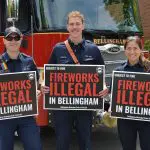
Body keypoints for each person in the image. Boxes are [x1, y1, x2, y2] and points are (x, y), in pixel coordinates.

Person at [42, 11, 108, 150]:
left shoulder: (93, 49)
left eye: (78, 24)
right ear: (67, 27)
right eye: (71, 24)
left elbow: (100, 75)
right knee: (62, 142)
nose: (75, 27)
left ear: (83, 26)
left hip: (85, 107)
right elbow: (47, 76)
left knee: (85, 141)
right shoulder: (58, 49)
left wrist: (103, 87)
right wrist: (43, 85)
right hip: (62, 109)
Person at [0, 26, 42, 150]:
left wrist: (37, 92)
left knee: (35, 147)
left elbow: (37, 83)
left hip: (26, 116)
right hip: (4, 118)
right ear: (4, 40)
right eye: (9, 38)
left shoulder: (29, 61)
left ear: (21, 39)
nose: (13, 41)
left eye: (16, 37)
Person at [114, 36, 150, 150]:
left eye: (135, 48)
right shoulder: (119, 71)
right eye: (129, 48)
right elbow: (114, 95)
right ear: (125, 51)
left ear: (140, 50)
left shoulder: (148, 69)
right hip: (125, 121)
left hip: (147, 119)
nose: (132, 52)